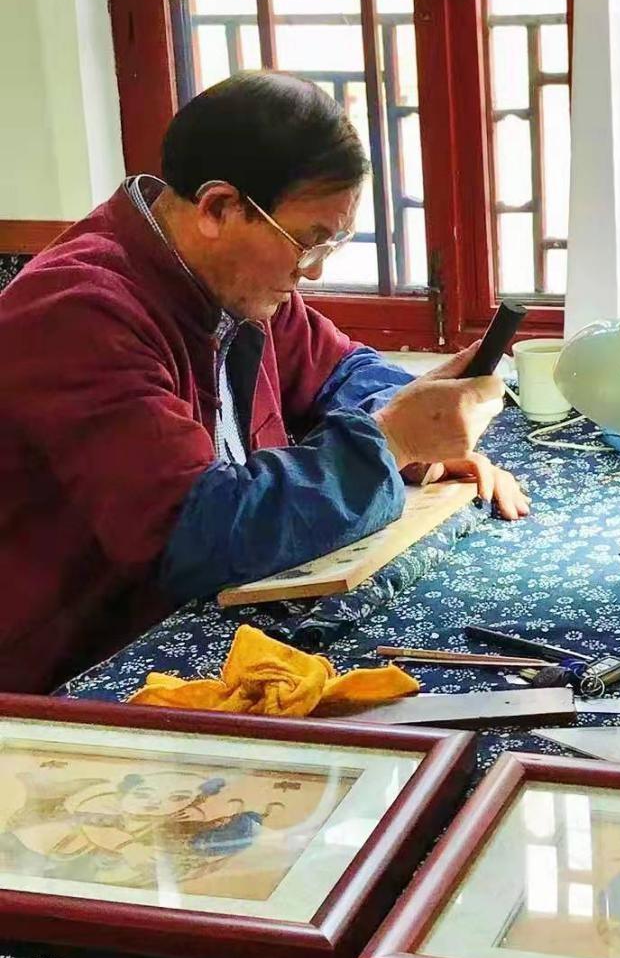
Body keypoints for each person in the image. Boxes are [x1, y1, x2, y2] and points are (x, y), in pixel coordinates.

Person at [0, 71, 528, 693]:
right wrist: (391, 443)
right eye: (307, 243)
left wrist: (417, 422)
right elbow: (196, 535)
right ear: (218, 208)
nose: (314, 271)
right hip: (69, 674)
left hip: (187, 627)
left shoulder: (231, 279)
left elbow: (341, 370)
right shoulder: (80, 313)